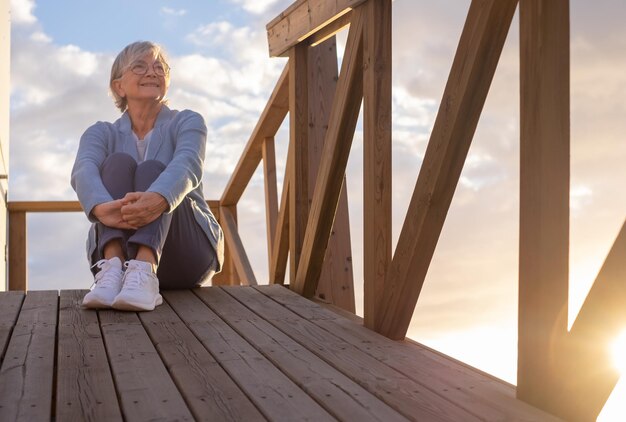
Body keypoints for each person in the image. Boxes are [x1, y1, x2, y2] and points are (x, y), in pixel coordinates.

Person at [71, 41, 224, 311]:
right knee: (116, 163)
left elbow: (188, 164)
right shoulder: (100, 132)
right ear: (119, 86)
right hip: (119, 254)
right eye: (140, 66)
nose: (152, 72)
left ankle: (146, 265)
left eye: (159, 67)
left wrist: (157, 199)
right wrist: (100, 208)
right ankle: (113, 267)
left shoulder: (188, 121)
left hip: (186, 255)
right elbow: (83, 168)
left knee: (154, 169)